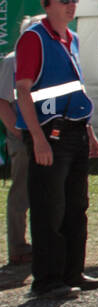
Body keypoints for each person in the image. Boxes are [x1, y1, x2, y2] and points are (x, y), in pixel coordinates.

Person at [13, 0, 98, 299]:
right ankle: (47, 280)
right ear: (46, 4)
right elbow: (23, 90)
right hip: (49, 133)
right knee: (48, 207)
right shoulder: (34, 38)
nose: (71, 4)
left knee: (76, 205)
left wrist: (89, 131)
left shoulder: (73, 39)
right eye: (64, 0)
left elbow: (74, 90)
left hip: (75, 130)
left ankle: (72, 271)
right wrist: (37, 138)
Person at [0, 16, 39, 265]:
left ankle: (43, 242)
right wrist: (18, 130)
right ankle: (17, 246)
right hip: (22, 138)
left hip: (46, 135)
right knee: (21, 192)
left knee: (45, 192)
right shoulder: (12, 61)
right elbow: (3, 100)